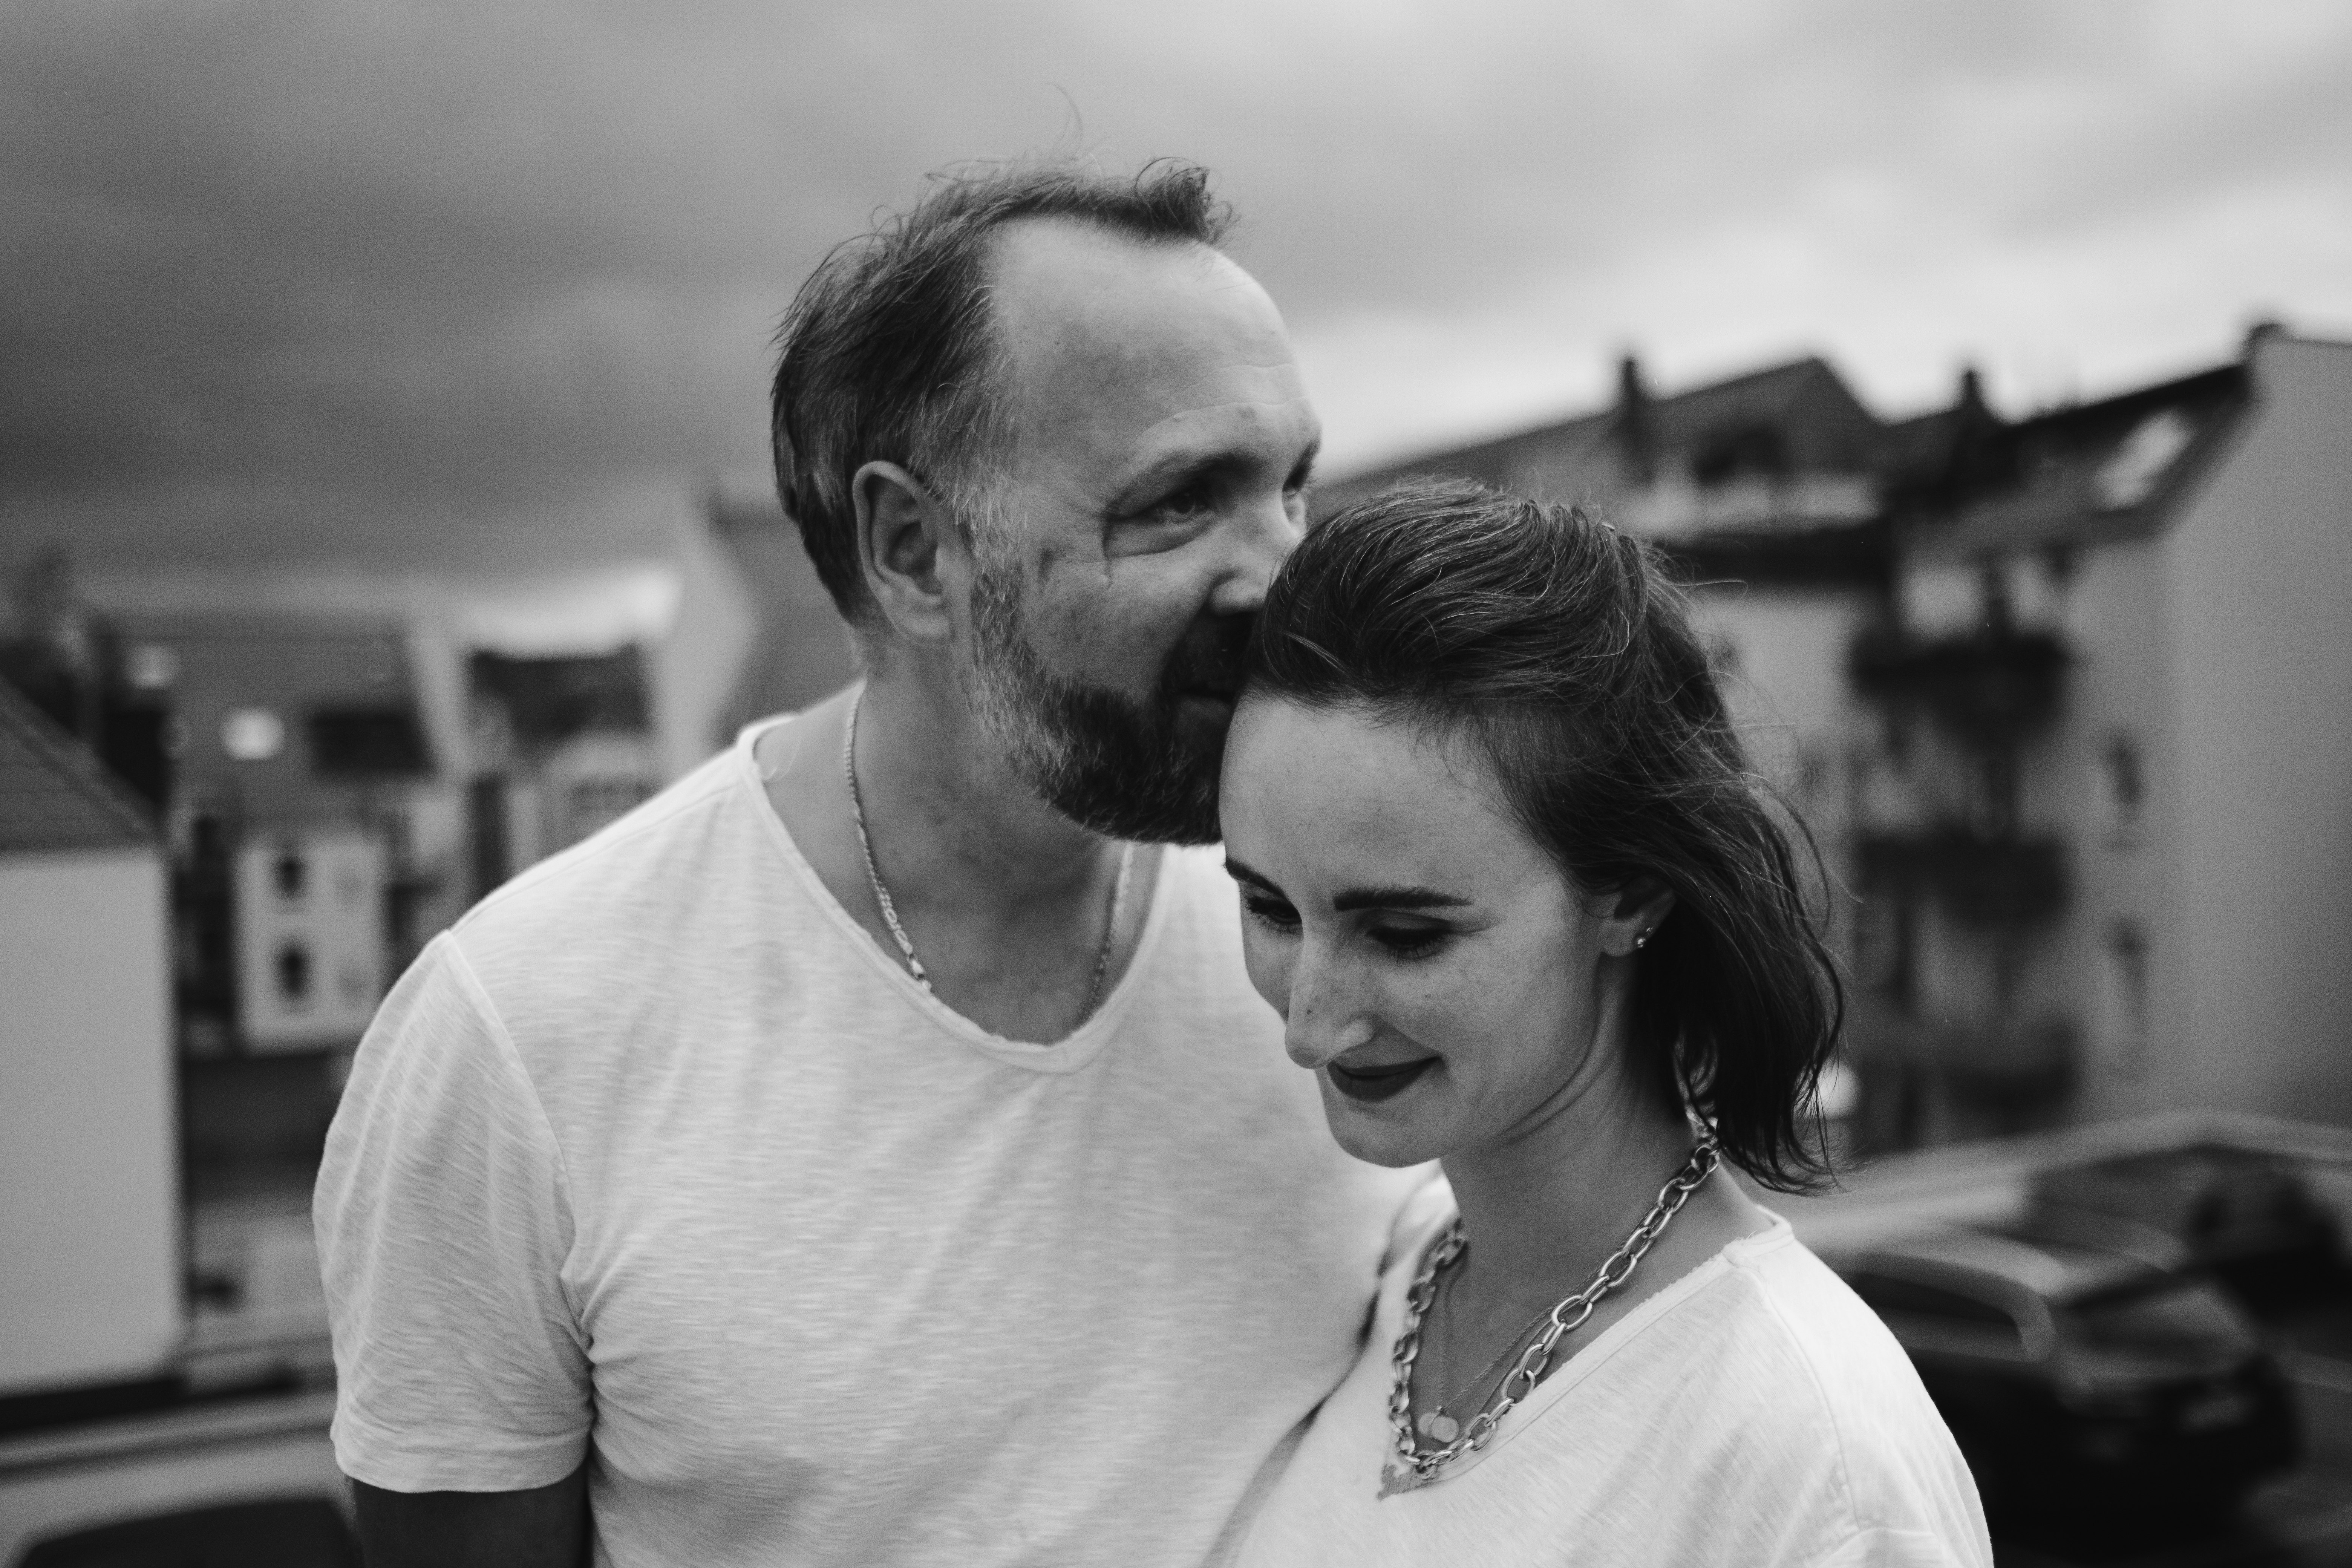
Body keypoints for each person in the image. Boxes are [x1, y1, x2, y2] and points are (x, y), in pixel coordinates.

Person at [314, 160, 1420, 1568]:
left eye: (1290, 490)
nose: (1283, 574)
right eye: (1181, 501)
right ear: (912, 551)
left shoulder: (1340, 940)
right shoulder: (521, 1042)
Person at [1218, 481, 1993, 1566]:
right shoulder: (1391, 1287)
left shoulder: (1816, 1466)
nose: (1309, 1025)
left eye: (1404, 933)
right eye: (1268, 908)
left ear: (1628, 894)